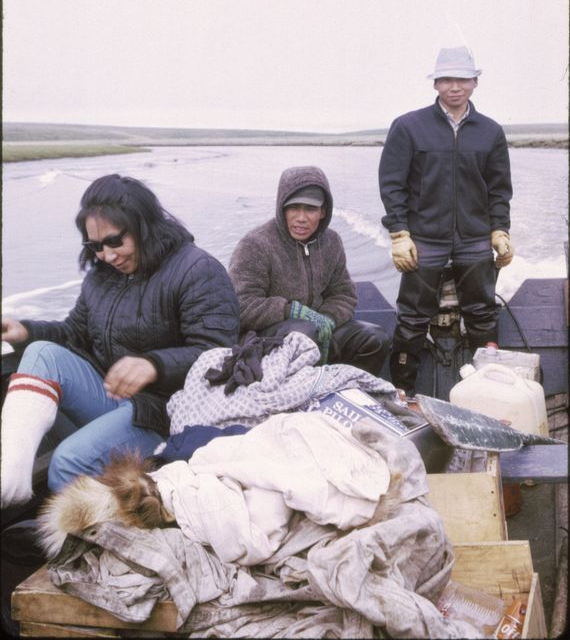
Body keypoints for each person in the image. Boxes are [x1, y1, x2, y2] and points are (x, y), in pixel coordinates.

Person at [1, 174, 240, 507]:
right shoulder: (102, 276)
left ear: (143, 226)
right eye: (95, 246)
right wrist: (26, 331)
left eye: (115, 241)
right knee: (41, 352)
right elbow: (74, 332)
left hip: (165, 412)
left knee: (68, 463)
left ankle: (87, 536)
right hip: (113, 393)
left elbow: (220, 357)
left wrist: (153, 365)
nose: (107, 255)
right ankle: (9, 477)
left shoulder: (197, 270)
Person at [378, 45, 514, 396]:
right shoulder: (408, 127)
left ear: (475, 83)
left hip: (474, 239)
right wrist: (398, 233)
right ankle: (403, 396)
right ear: (436, 84)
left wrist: (499, 229)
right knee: (411, 319)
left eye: (463, 79)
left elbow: (499, 189)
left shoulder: (491, 132)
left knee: (483, 315)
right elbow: (392, 184)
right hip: (423, 238)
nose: (455, 87)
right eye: (447, 79)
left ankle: (490, 393)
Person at [228, 165, 390, 373]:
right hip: (265, 341)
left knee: (375, 338)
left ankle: (348, 392)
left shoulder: (332, 241)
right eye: (294, 207)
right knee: (305, 333)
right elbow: (239, 306)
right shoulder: (255, 244)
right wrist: (290, 310)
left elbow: (344, 295)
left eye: (311, 209)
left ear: (323, 211)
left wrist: (328, 319)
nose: (301, 218)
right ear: (282, 208)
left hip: (317, 332)